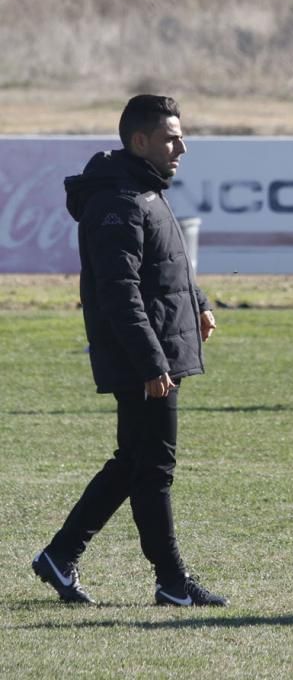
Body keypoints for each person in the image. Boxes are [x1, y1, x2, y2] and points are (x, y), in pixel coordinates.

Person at [32, 95, 227, 607]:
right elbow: (120, 291)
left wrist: (199, 302)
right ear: (139, 141)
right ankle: (171, 581)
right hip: (146, 358)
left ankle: (61, 555)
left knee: (133, 464)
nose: (181, 146)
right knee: (153, 469)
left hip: (157, 350)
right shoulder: (117, 201)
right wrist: (151, 363)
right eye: (171, 137)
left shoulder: (144, 189)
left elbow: (167, 265)